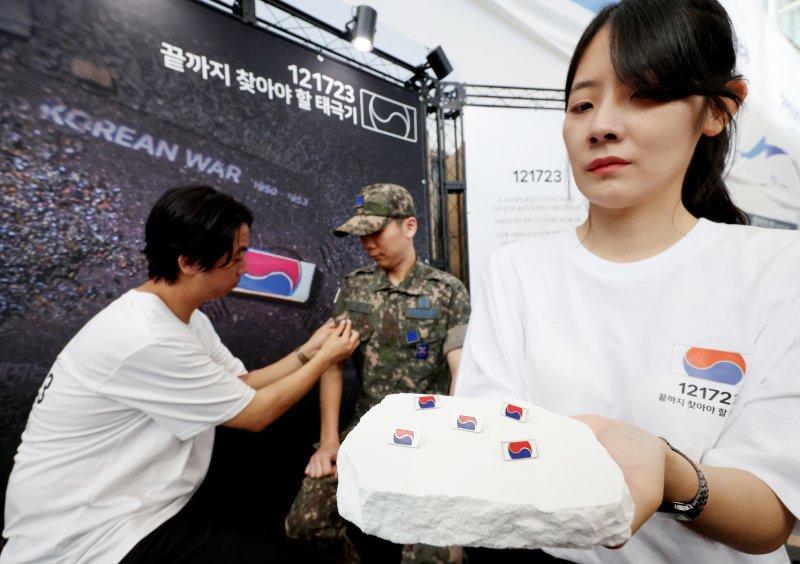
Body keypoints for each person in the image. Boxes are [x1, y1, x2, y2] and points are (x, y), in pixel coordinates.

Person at [455, 0, 799, 563]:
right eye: (582, 104)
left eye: (646, 95)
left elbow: (769, 516)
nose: (602, 126)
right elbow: (485, 447)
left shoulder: (777, 268)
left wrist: (672, 474)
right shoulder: (517, 272)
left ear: (718, 110)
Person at [1, 185, 359, 563]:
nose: (247, 268)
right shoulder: (147, 337)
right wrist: (324, 359)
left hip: (139, 511)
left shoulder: (186, 320)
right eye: (236, 257)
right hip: (88, 536)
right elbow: (255, 413)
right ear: (189, 262)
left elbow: (241, 386)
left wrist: (309, 350)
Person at [284, 183, 471, 563]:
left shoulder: (447, 291)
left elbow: (460, 371)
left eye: (376, 231)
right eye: (361, 234)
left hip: (429, 431)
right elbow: (331, 363)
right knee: (306, 523)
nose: (368, 243)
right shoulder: (355, 288)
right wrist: (328, 442)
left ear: (410, 226)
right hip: (365, 426)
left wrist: (449, 446)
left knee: (429, 552)